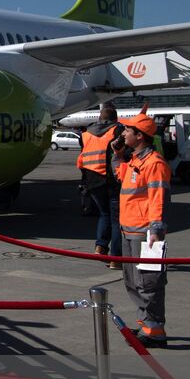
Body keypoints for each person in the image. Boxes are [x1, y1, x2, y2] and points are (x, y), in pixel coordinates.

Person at [115, 110, 172, 346]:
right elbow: (119, 175)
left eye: (128, 131)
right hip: (128, 230)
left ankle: (155, 329)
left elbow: (158, 197)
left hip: (146, 233)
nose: (124, 133)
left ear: (139, 136)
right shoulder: (134, 161)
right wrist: (117, 154)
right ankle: (145, 323)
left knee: (149, 281)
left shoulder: (154, 163)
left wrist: (156, 228)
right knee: (131, 281)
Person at [76, 104, 124, 269]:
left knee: (104, 214)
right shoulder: (117, 130)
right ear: (115, 118)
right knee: (117, 219)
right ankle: (116, 258)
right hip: (110, 179)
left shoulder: (86, 134)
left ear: (99, 117)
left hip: (91, 180)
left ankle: (100, 247)